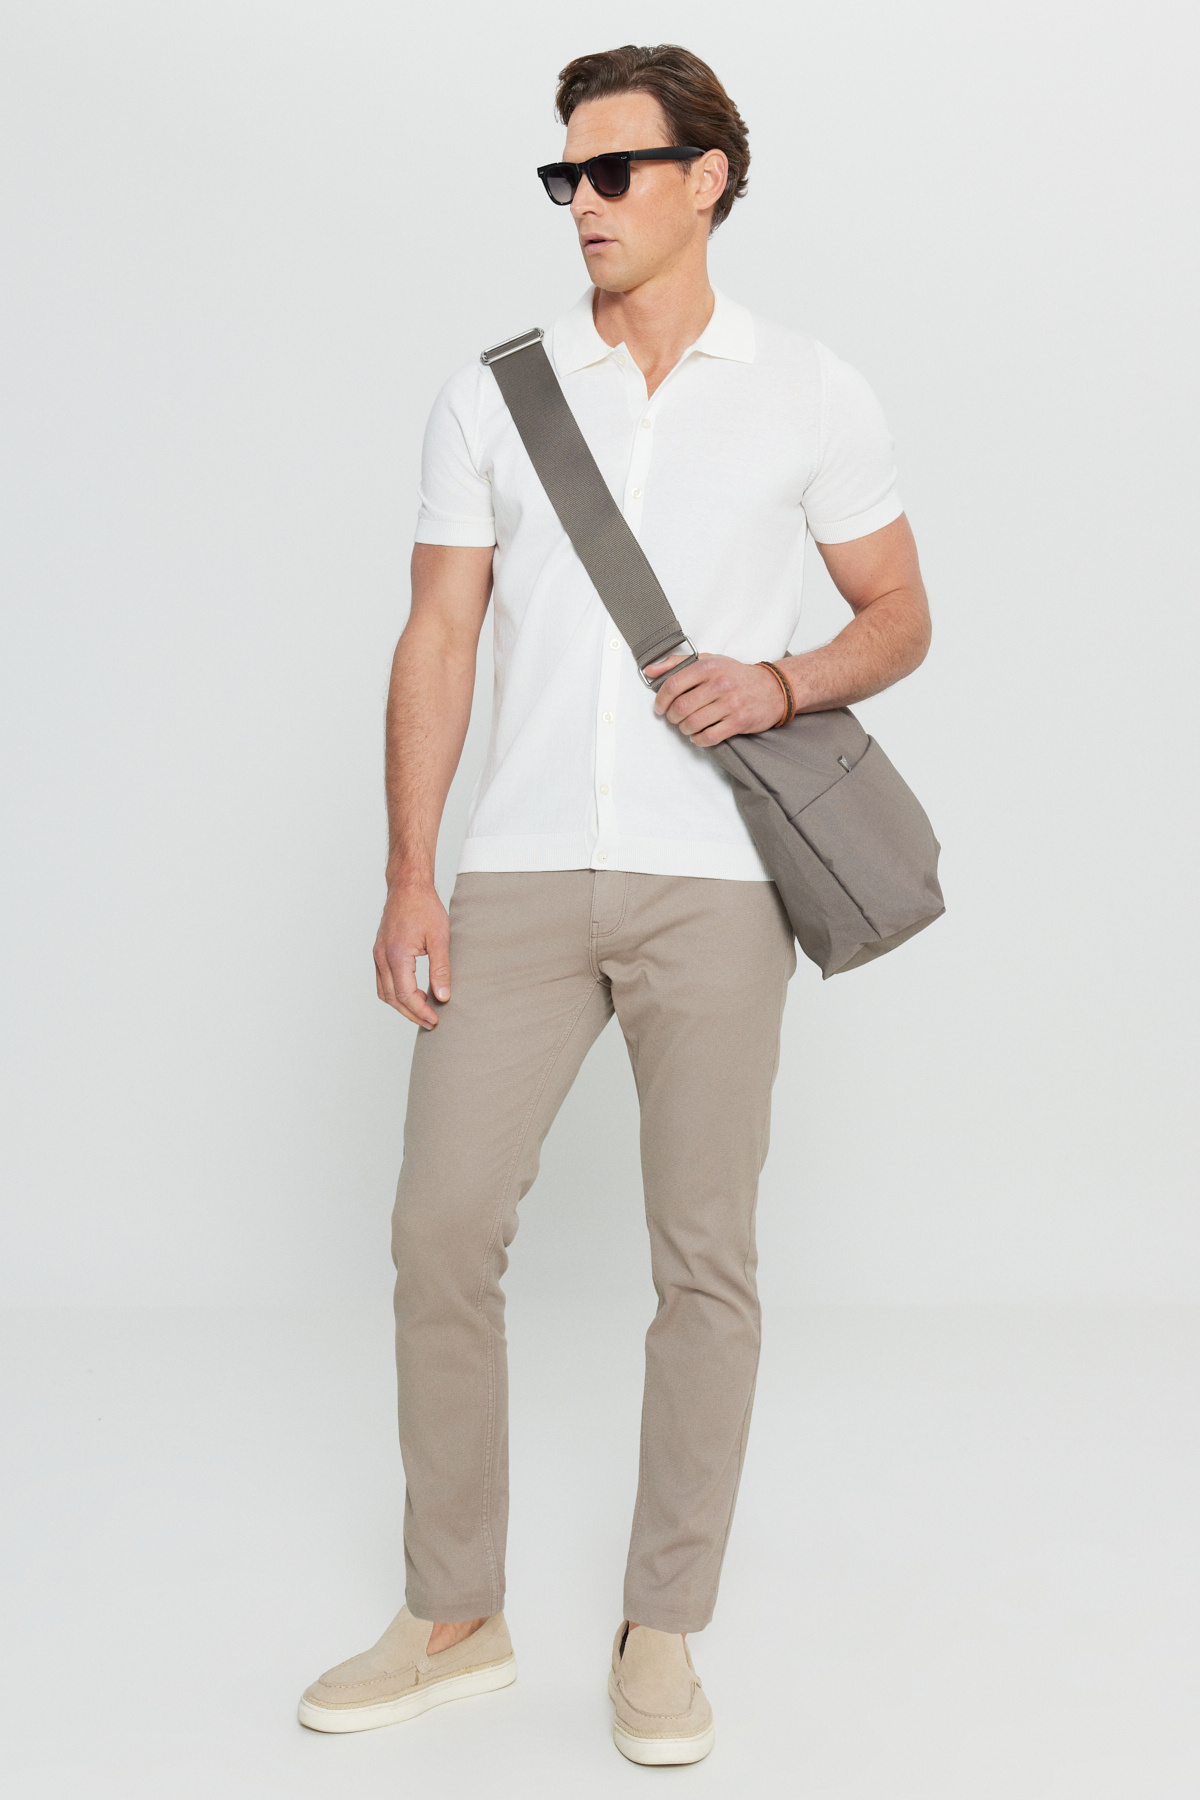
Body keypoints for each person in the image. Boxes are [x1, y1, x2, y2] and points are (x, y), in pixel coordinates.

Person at [298, 42, 930, 1766]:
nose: (581, 202)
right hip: (513, 872)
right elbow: (438, 633)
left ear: (707, 178)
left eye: (614, 171)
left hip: (716, 884)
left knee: (704, 1260)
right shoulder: (494, 393)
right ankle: (455, 1614)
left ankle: (664, 1628)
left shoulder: (811, 392)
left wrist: (782, 681)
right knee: (441, 1228)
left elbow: (898, 614)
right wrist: (410, 871)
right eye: (562, 175)